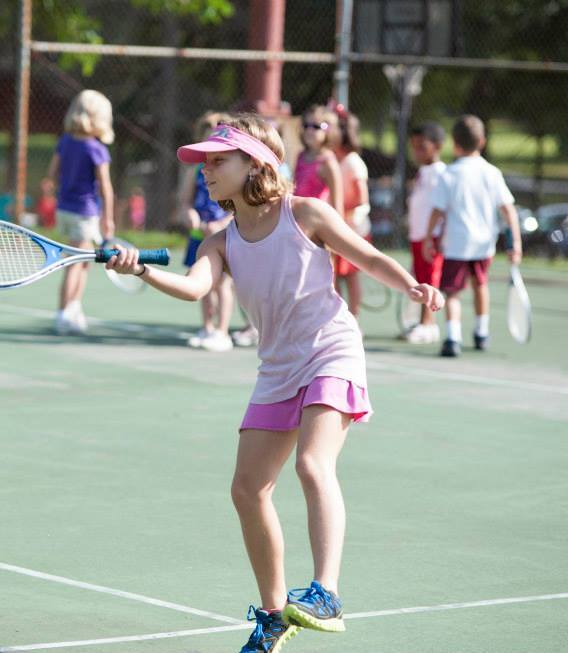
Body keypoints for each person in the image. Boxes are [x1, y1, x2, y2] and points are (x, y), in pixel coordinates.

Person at [104, 115, 443, 653]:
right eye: (205, 163)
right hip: (278, 367)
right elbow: (195, 289)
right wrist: (139, 270)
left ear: (256, 162)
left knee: (313, 463)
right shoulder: (221, 241)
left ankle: (326, 593)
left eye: (219, 160)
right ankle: (273, 614)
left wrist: (413, 286)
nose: (207, 171)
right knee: (247, 489)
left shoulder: (305, 213)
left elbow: (368, 255)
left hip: (331, 349)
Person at [424, 114, 521, 357]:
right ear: (482, 142)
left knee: (453, 292)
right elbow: (508, 209)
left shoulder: (449, 174)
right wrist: (515, 241)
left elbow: (437, 211)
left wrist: (428, 238)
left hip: (456, 243)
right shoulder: (492, 173)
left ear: (454, 143)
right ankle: (481, 332)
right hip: (483, 244)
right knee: (481, 284)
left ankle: (453, 338)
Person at [46, 89, 116, 335]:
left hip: (65, 210)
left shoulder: (65, 142)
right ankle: (64, 312)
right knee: (75, 263)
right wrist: (108, 218)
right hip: (84, 213)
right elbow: (106, 187)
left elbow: (51, 175)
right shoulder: (96, 149)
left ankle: (73, 307)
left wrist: (54, 191)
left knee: (84, 261)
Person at [178, 111, 236, 352]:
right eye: (208, 127)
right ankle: (207, 327)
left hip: (223, 234)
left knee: (222, 283)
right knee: (200, 279)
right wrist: (189, 215)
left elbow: (239, 206)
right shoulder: (195, 170)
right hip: (199, 234)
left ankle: (222, 332)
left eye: (218, 127)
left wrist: (221, 225)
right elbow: (184, 201)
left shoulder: (232, 171)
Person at [404, 122, 447, 344]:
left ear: (437, 146)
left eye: (422, 146)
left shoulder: (441, 173)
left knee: (430, 280)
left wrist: (437, 236)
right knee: (420, 279)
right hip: (417, 235)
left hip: (432, 237)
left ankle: (428, 324)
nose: (417, 151)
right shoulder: (423, 172)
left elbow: (444, 207)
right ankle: (422, 322)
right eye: (414, 147)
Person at [333, 106, 371, 317]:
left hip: (353, 229)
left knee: (351, 276)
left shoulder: (353, 162)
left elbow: (361, 199)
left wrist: (340, 211)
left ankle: (353, 318)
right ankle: (339, 318)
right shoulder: (332, 159)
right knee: (334, 275)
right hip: (337, 227)